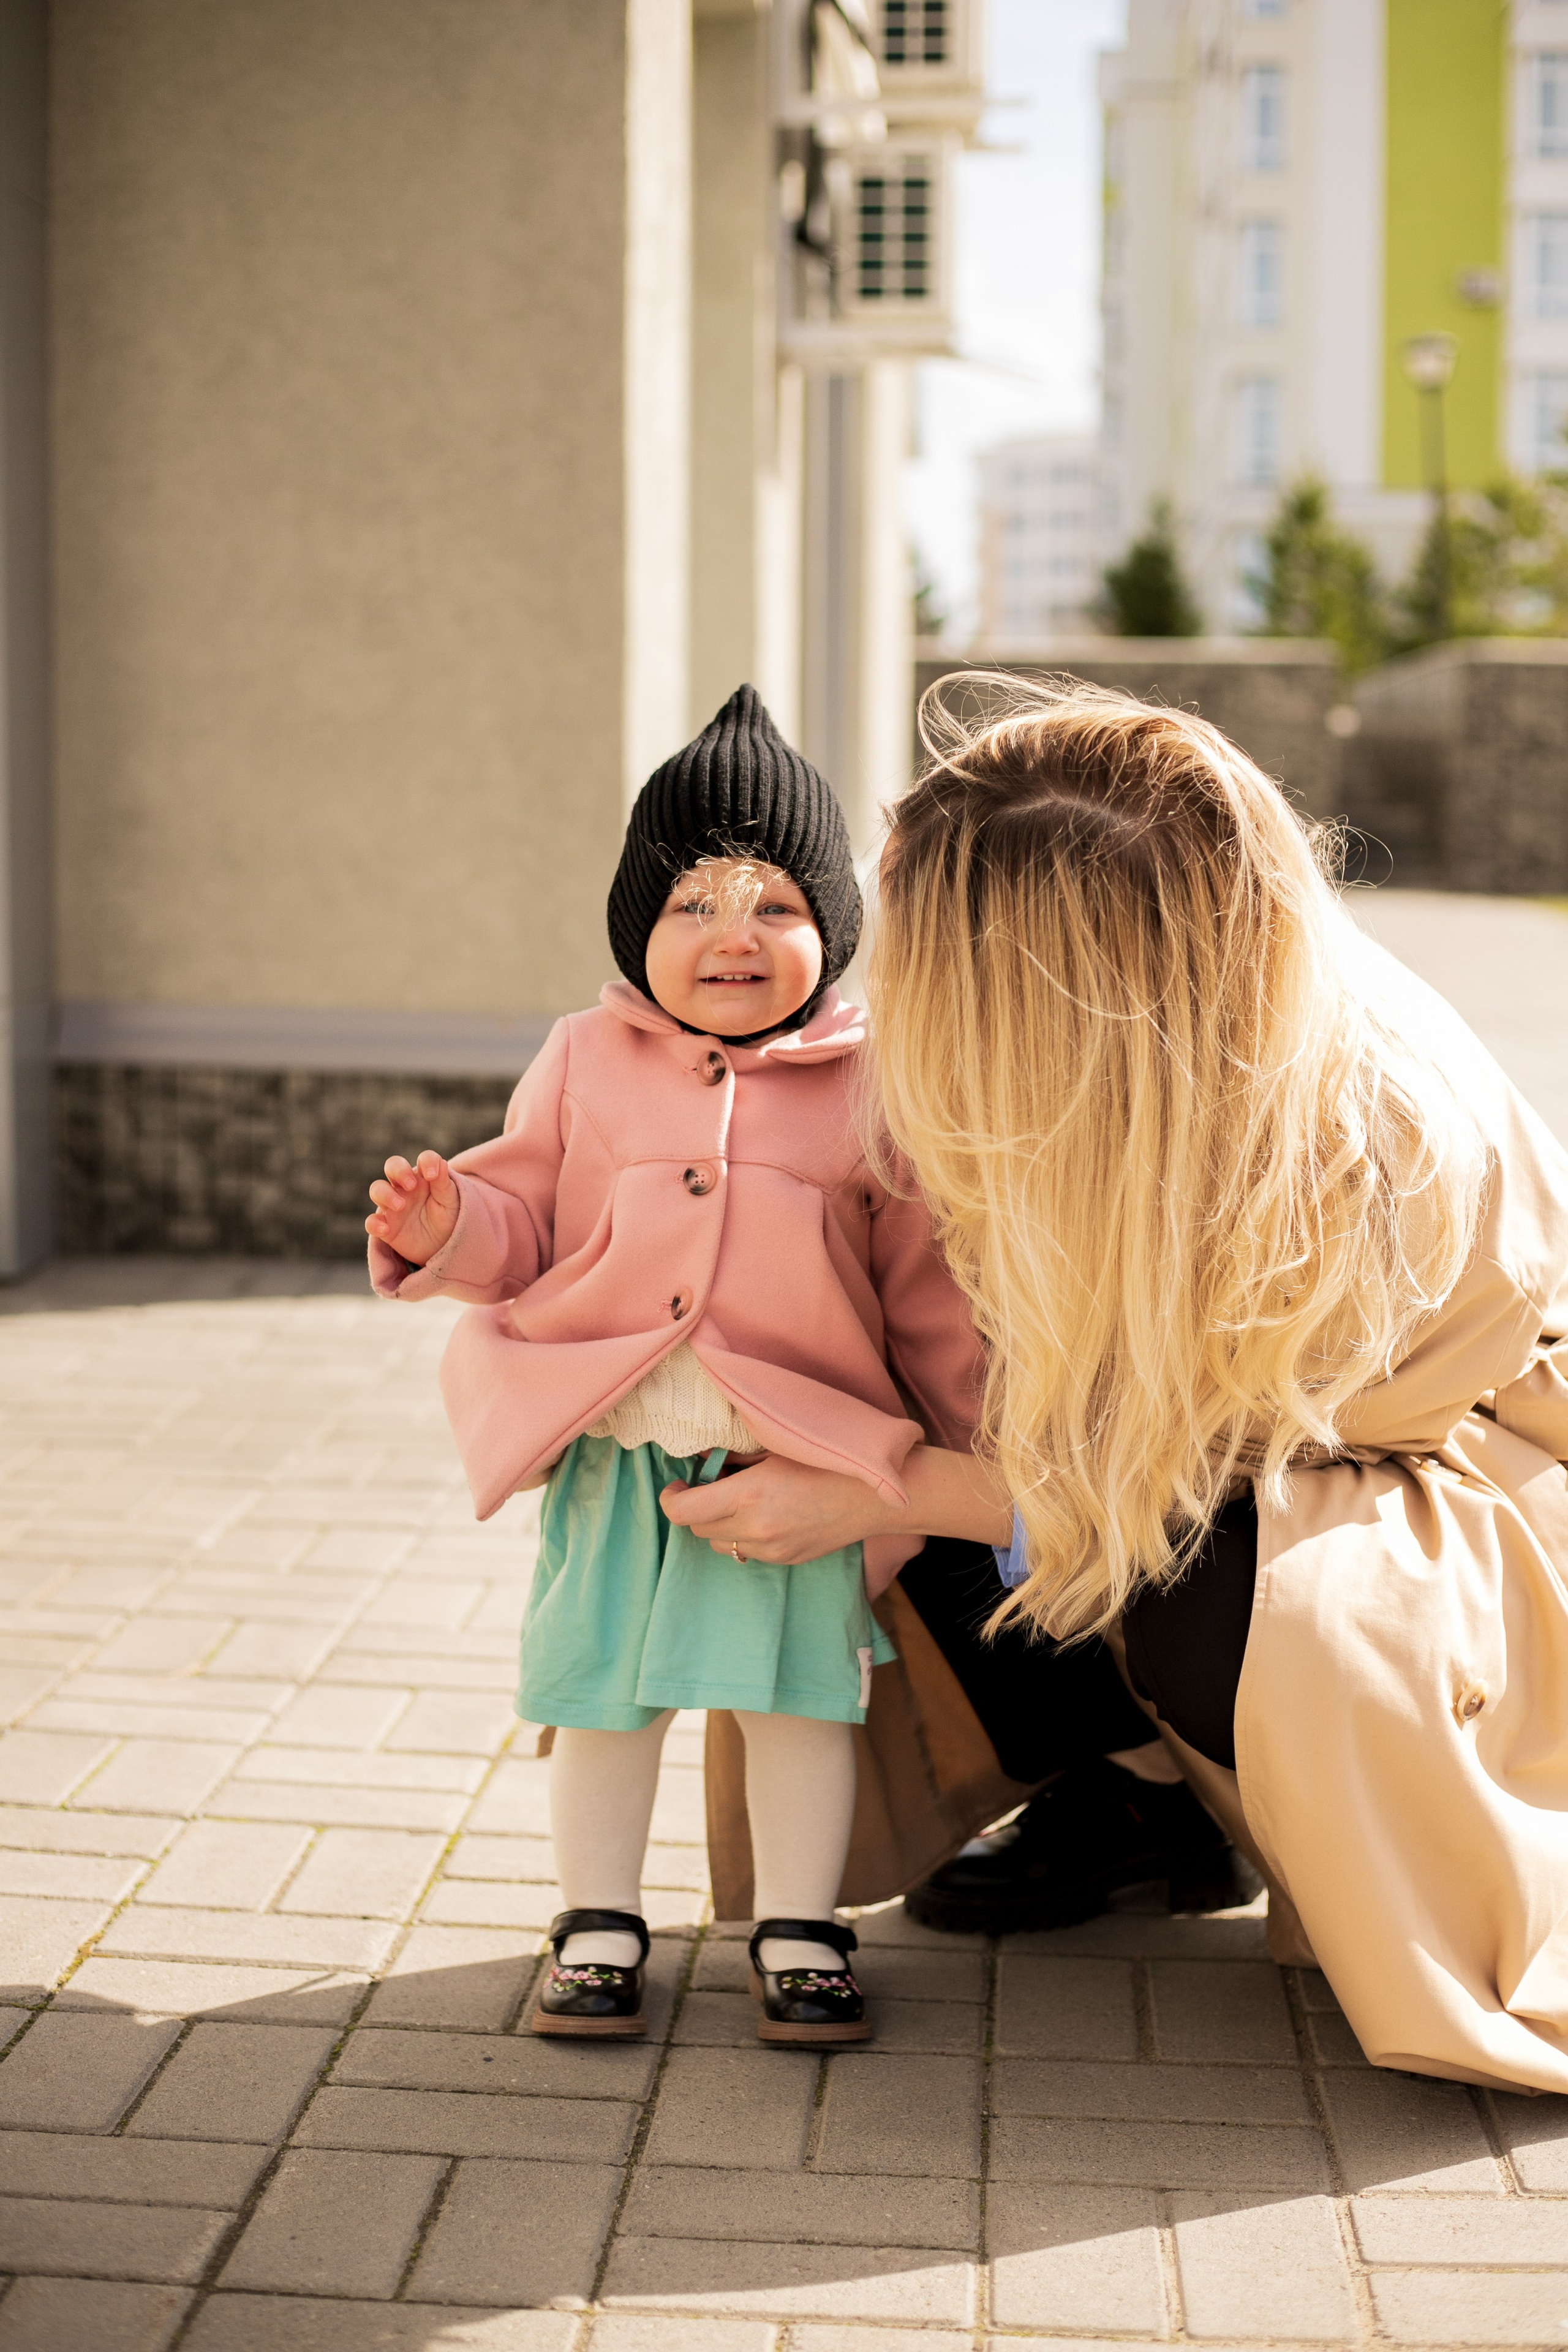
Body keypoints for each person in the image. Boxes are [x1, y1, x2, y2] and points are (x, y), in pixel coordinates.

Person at [663, 674, 1568, 2096]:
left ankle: (1365, 1853)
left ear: (1062, 981)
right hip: (1170, 1470)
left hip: (1451, 1503)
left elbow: (1182, 1490)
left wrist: (876, 1488)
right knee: (873, 1404)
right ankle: (1138, 1804)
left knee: (1242, 1597)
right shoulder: (1147, 1049)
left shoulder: (1358, 1153)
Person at [364, 685, 989, 2047]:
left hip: (799, 1465)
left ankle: (801, 1927)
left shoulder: (876, 1080)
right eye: (693, 905)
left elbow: (920, 1290)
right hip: (619, 1447)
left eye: (772, 903)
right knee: (603, 1700)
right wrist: (450, 1227)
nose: (733, 936)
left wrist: (956, 1450)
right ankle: (595, 1921)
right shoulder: (585, 1058)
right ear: (635, 931)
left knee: (795, 1706)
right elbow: (524, 1219)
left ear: (827, 930)